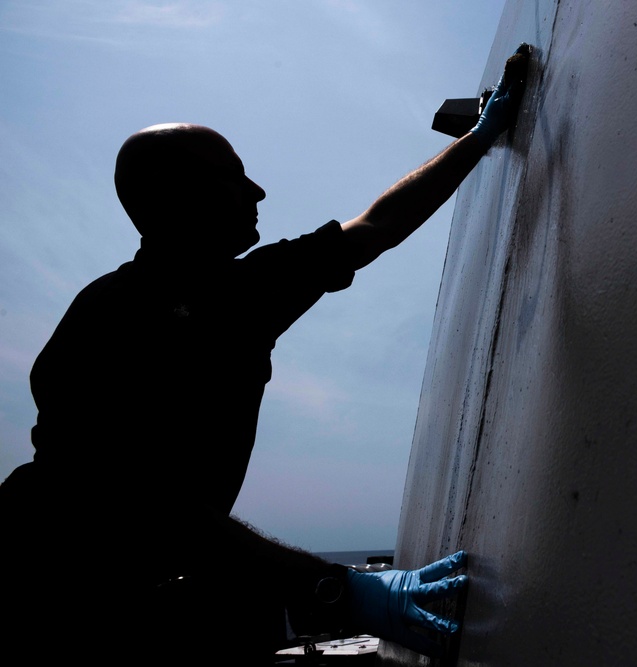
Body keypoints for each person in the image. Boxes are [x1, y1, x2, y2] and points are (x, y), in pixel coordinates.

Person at [0, 49, 528, 664]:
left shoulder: (246, 290)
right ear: (180, 195)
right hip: (35, 594)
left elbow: (376, 227)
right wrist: (335, 588)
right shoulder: (108, 320)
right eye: (233, 174)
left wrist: (479, 138)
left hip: (122, 591)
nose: (257, 189)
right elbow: (132, 502)